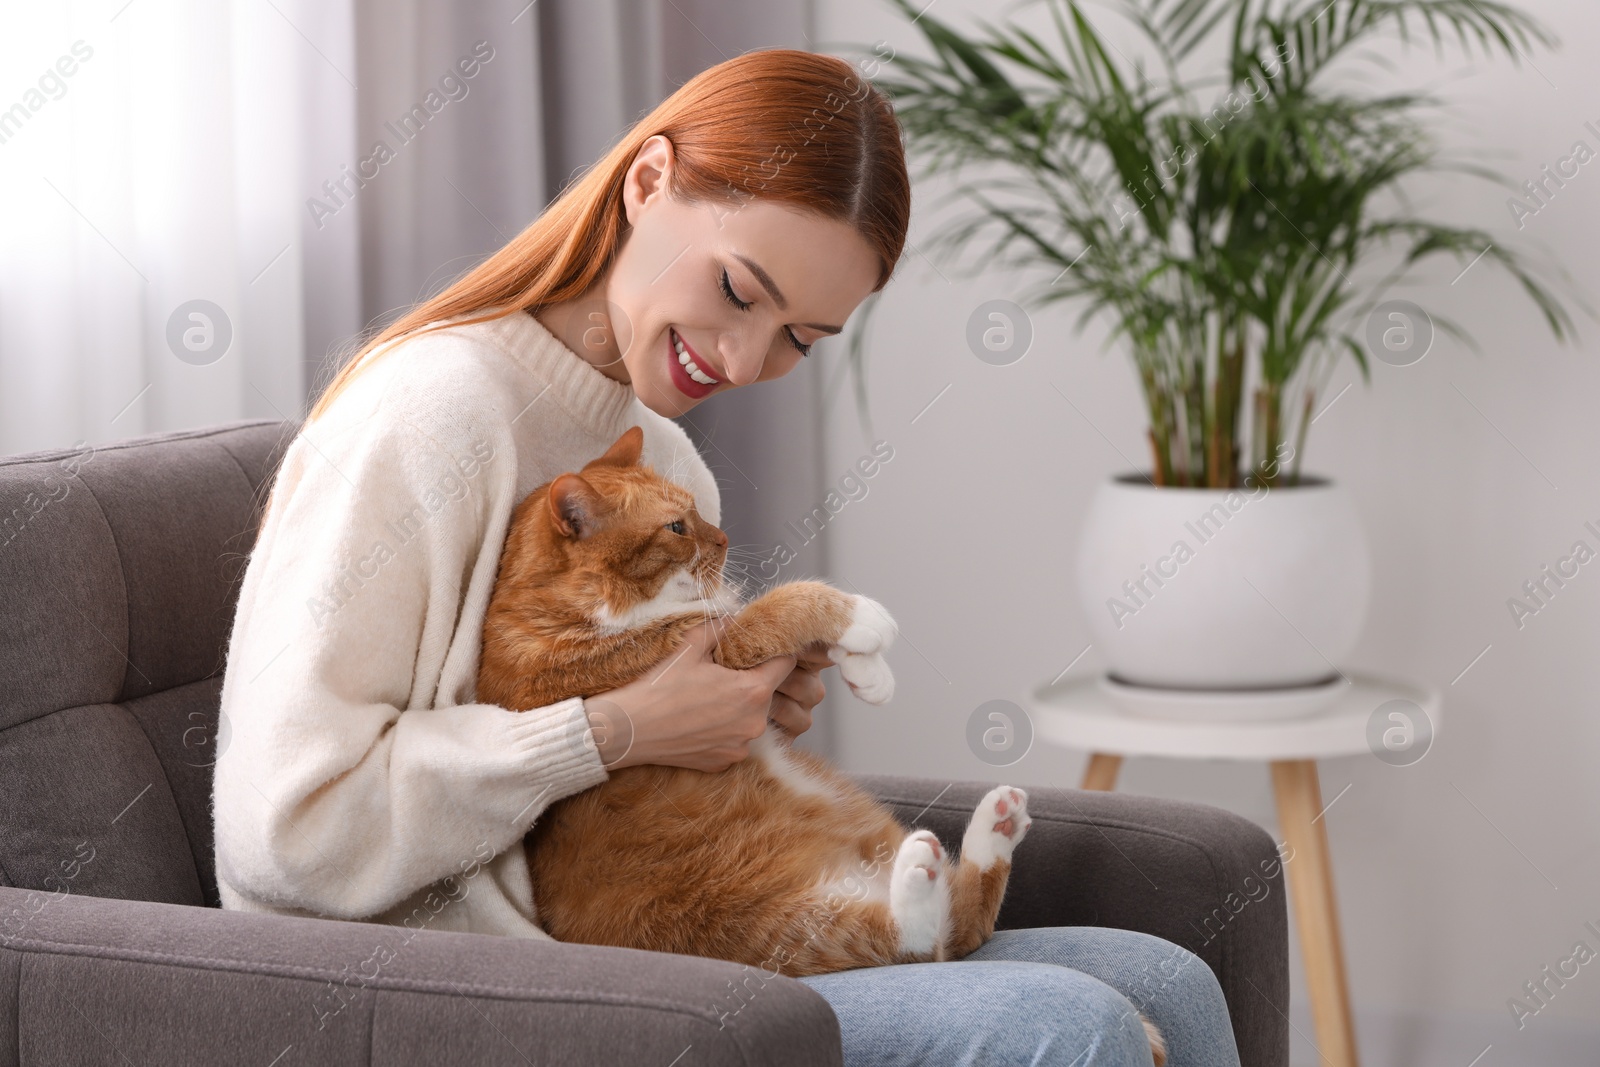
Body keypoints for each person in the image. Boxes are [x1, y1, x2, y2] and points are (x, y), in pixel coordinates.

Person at [213, 48, 1241, 1067]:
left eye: (800, 337)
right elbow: (287, 832)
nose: (746, 362)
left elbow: (653, 788)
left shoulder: (662, 463)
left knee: (1166, 981)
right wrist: (610, 729)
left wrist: (741, 714)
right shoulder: (430, 415)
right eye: (739, 291)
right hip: (442, 986)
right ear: (648, 182)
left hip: (668, 937)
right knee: (1073, 1026)